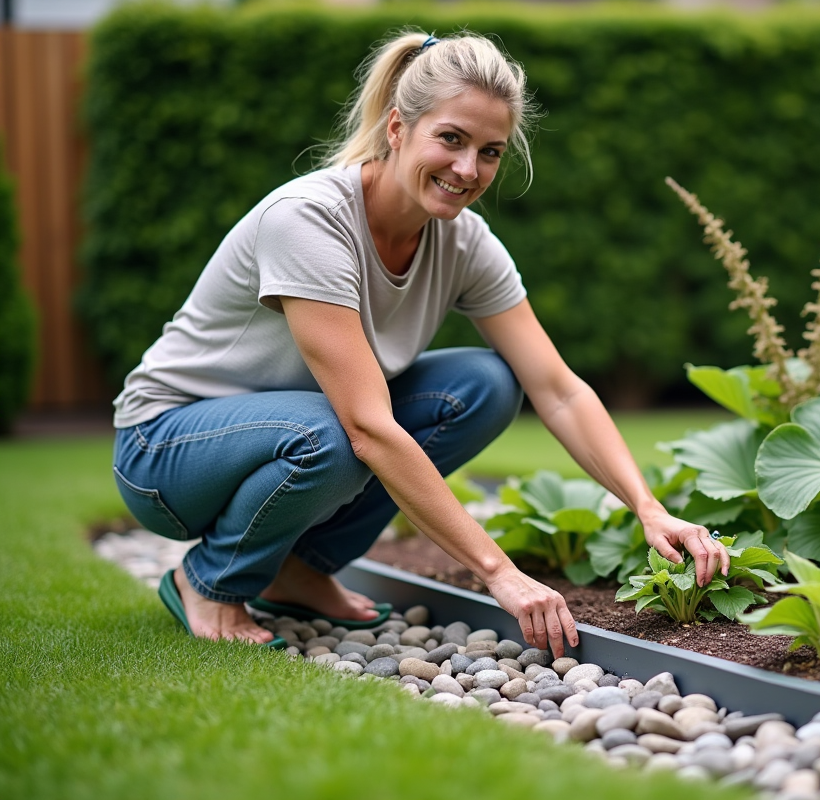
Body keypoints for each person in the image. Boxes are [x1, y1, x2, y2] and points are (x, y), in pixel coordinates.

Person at [111, 30, 729, 658]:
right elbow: (367, 426)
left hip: (304, 427)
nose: (468, 169)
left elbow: (559, 389)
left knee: (485, 387)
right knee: (344, 433)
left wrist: (648, 508)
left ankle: (301, 570)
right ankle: (211, 580)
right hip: (166, 449)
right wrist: (499, 573)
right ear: (398, 128)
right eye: (451, 139)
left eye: (490, 151)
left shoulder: (465, 243)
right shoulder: (309, 220)